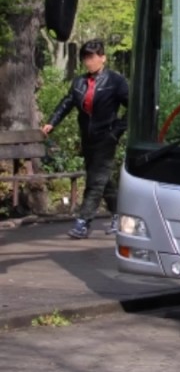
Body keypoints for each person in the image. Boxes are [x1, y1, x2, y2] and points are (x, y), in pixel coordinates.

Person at [42, 39, 129, 239]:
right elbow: (67, 103)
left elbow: (133, 107)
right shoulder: (79, 82)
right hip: (88, 138)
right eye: (85, 58)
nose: (87, 62)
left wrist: (117, 130)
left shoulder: (115, 81)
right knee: (102, 178)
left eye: (91, 57)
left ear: (103, 58)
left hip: (106, 137)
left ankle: (83, 221)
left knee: (95, 180)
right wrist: (52, 122)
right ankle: (118, 215)